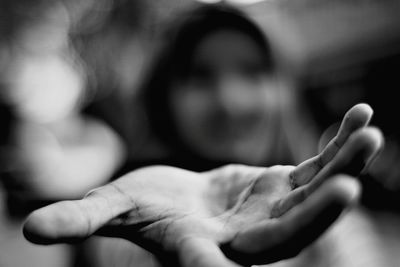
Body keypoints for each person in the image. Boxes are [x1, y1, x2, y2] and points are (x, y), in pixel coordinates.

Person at [23, 102, 383, 267]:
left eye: (252, 70)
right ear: (164, 97)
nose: (228, 100)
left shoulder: (339, 227)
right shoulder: (122, 226)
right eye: (200, 74)